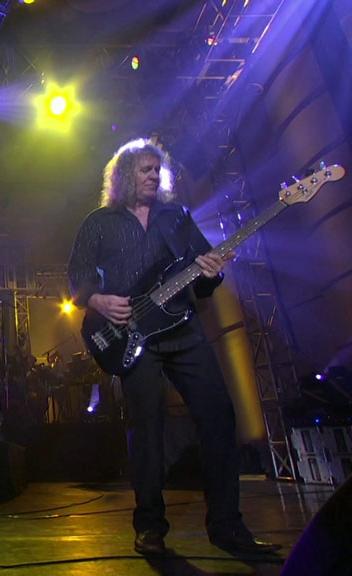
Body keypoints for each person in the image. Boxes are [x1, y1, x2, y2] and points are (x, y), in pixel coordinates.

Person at [67, 138, 280, 556]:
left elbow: (203, 275)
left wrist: (212, 273)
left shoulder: (176, 217)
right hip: (131, 335)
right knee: (147, 429)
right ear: (125, 175)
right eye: (145, 169)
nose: (153, 175)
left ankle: (227, 526)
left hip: (182, 327)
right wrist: (97, 300)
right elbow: (77, 275)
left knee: (219, 415)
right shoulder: (99, 222)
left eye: (157, 169)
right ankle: (150, 527)